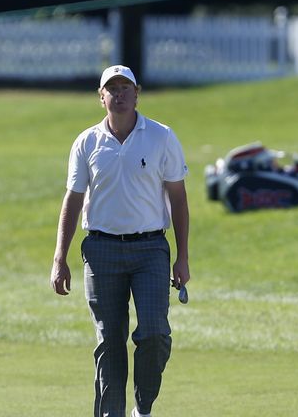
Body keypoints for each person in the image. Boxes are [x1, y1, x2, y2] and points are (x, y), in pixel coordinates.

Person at [50, 64, 190, 417]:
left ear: (137, 92)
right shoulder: (87, 142)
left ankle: (142, 407)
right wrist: (59, 258)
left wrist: (183, 257)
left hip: (151, 250)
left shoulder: (161, 136)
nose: (120, 94)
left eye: (126, 87)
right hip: (101, 250)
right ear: (101, 97)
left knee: (155, 334)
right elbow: (74, 199)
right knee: (110, 343)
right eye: (112, 88)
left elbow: (179, 198)